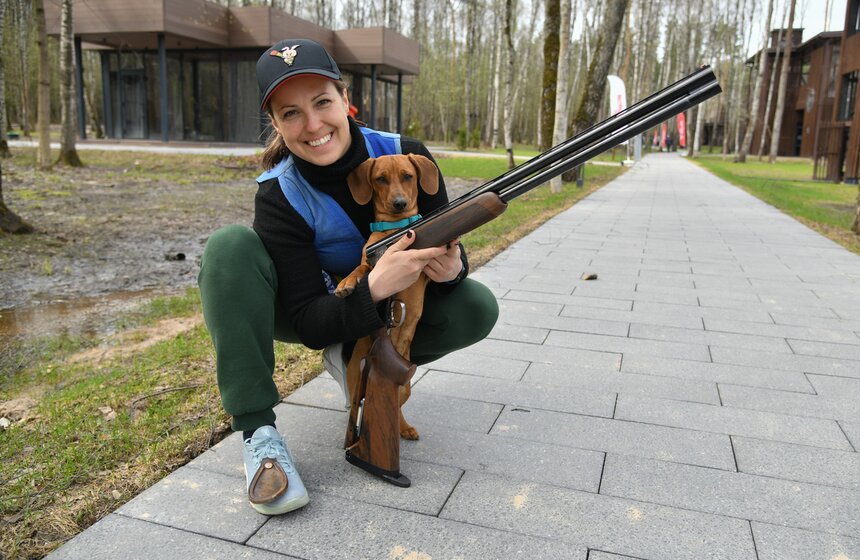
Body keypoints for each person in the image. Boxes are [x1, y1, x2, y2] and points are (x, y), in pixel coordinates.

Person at [197, 39, 499, 516]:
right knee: (228, 247)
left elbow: (448, 244)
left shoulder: (406, 154)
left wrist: (453, 268)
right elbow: (308, 320)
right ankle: (260, 433)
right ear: (275, 124)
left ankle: (376, 365)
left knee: (475, 306)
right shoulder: (279, 193)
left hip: (390, 309)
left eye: (322, 103)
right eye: (291, 113)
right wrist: (374, 285)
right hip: (315, 312)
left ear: (345, 99)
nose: (313, 124)